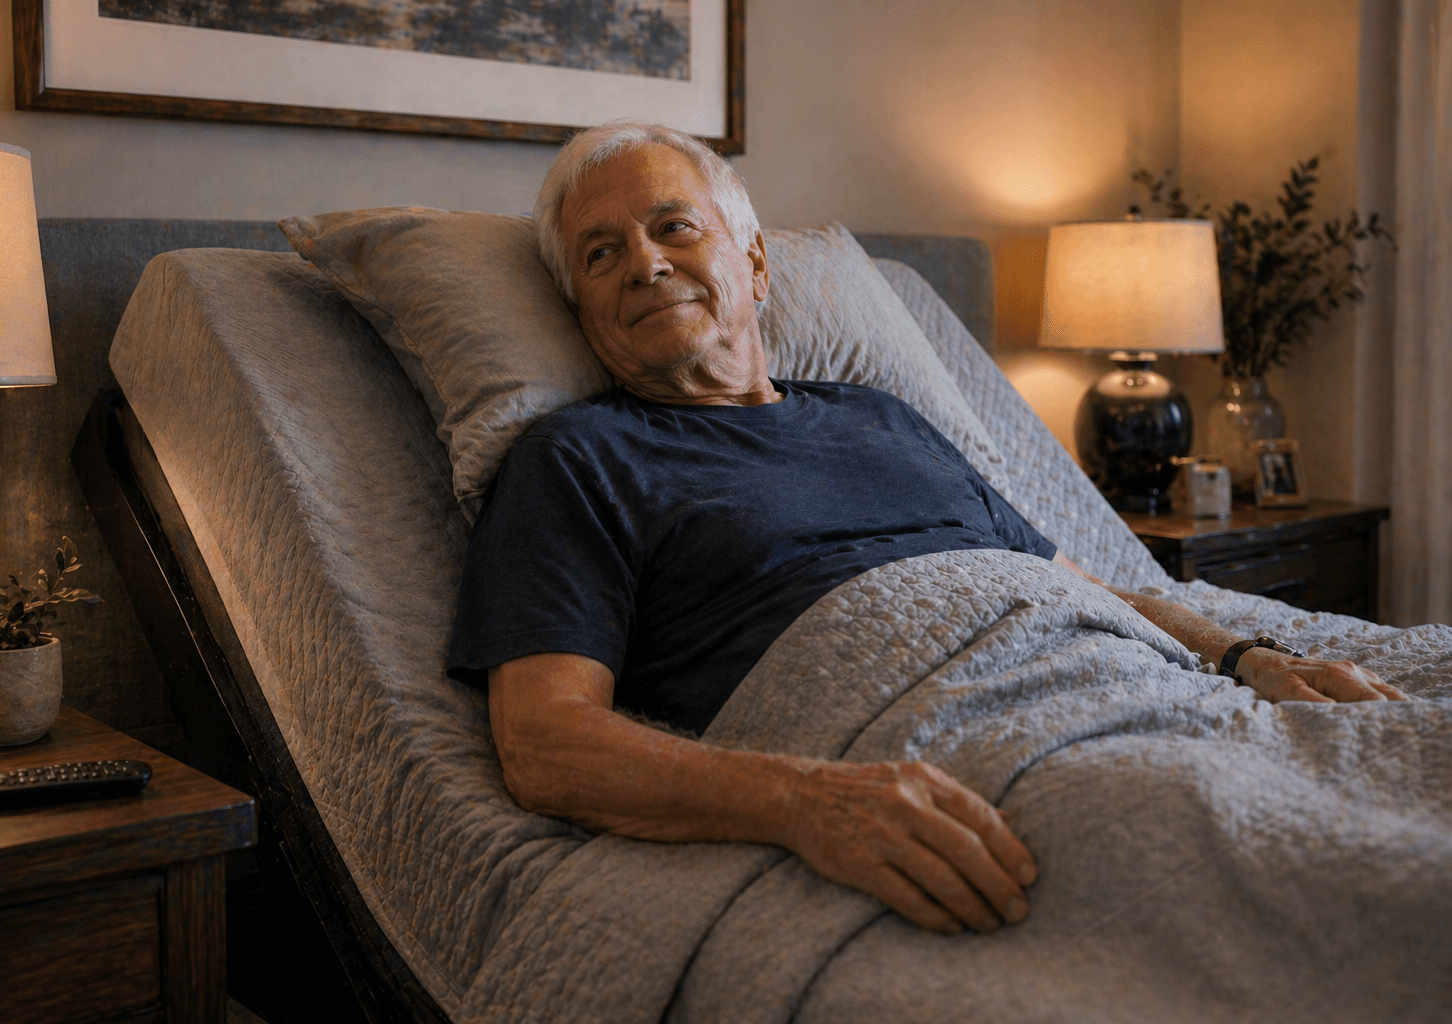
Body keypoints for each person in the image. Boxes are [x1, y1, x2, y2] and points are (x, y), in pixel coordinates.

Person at [446, 122, 1405, 938]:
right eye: (601, 253)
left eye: (672, 227)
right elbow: (546, 744)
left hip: (1123, 684)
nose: (645, 263)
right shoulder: (574, 460)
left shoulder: (880, 415)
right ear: (580, 305)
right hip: (948, 746)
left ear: (755, 262)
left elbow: (1078, 585)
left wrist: (1246, 656)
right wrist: (803, 799)